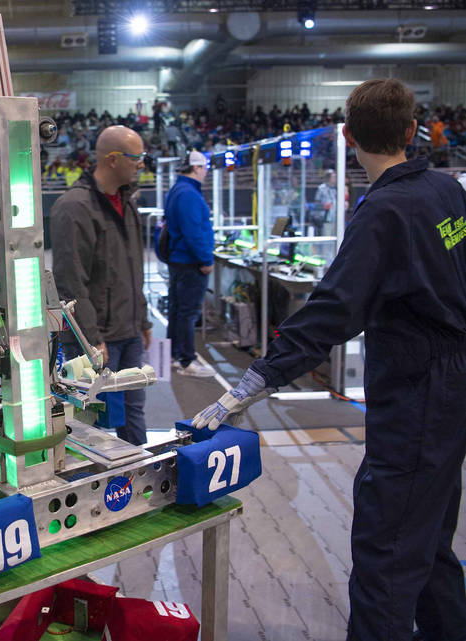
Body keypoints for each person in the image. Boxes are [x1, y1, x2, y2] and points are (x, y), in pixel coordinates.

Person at [192, 79, 466, 641]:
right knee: (431, 538)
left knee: (387, 554)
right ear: (412, 130)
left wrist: (254, 380)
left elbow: (333, 310)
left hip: (418, 394)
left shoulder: (385, 211)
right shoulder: (447, 192)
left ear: (347, 136)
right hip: (453, 387)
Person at [51, 125, 153, 446]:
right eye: (137, 158)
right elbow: (70, 281)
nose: (141, 164)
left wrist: (143, 318)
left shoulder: (128, 203)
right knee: (89, 421)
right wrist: (90, 339)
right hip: (95, 340)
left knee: (133, 410)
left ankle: (138, 477)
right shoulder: (75, 208)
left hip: (129, 331)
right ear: (112, 159)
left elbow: (133, 269)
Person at [163, 150, 216, 377]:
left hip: (179, 260)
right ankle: (186, 360)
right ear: (196, 168)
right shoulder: (189, 195)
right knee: (187, 312)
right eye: (204, 168)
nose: (205, 173)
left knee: (177, 310)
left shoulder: (178, 190)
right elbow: (194, 231)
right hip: (190, 262)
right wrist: (205, 259)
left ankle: (176, 355)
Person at [313, 169, 337, 234]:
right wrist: (324, 207)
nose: (335, 179)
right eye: (334, 177)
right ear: (328, 178)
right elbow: (317, 204)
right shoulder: (321, 188)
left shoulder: (336, 189)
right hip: (325, 218)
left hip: (335, 218)